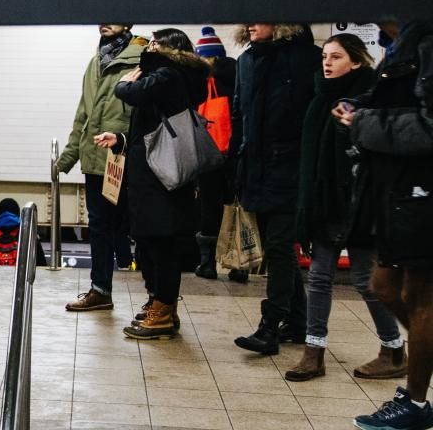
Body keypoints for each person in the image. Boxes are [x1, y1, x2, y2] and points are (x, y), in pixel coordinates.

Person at [284, 34, 405, 382]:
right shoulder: (320, 100)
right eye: (324, 56)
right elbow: (310, 162)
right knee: (320, 277)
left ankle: (394, 348)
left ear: (355, 61)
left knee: (367, 281)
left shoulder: (367, 99)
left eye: (335, 57)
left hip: (358, 203)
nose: (327, 63)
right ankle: (313, 352)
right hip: (325, 204)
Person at [334, 21, 433, 430]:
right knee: (384, 286)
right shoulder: (404, 44)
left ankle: (415, 403)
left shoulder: (426, 42)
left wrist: (363, 123)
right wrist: (362, 108)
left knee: (420, 296)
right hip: (399, 191)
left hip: (421, 190)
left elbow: (428, 126)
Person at [95, 28, 209, 340]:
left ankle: (162, 308)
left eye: (157, 42)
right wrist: (119, 139)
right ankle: (161, 304)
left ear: (172, 50)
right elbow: (155, 127)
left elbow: (132, 94)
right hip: (158, 170)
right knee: (152, 242)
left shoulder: (169, 75)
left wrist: (123, 83)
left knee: (162, 243)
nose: (150, 46)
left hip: (159, 175)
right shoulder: (170, 76)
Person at [231, 24, 320, 355]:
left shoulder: (307, 59)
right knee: (274, 247)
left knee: (281, 246)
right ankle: (297, 322)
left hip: (291, 168)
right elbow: (239, 115)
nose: (252, 24)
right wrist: (235, 167)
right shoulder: (247, 61)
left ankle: (269, 327)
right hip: (255, 168)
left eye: (261, 17)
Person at [56, 24, 143, 311]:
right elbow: (83, 114)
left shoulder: (141, 58)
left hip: (128, 157)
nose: (104, 21)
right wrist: (67, 158)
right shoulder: (96, 61)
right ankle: (100, 289)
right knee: (99, 227)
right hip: (96, 159)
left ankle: (159, 299)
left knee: (140, 227)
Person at [192, 26, 238, 280]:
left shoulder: (204, 82)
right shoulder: (239, 75)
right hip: (235, 153)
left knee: (209, 207)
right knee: (236, 207)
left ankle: (207, 263)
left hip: (210, 154)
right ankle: (238, 263)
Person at [0, 198, 46, 266]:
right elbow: (42, 265)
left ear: (0, 213)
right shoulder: (28, 236)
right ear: (18, 213)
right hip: (19, 278)